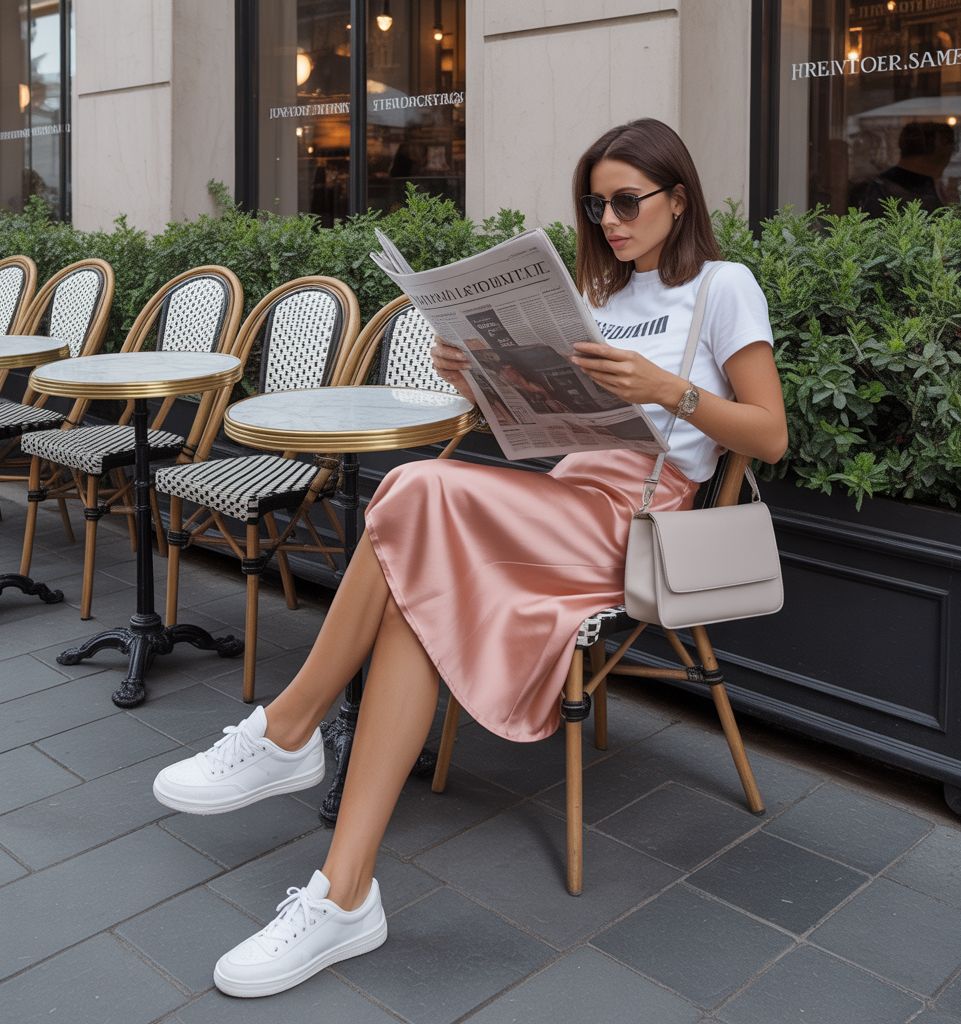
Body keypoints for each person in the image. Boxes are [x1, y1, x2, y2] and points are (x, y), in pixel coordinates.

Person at [151, 118, 788, 999]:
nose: (609, 218)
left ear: (679, 200)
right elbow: (550, 430)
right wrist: (476, 378)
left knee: (409, 493)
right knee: (417, 587)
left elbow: (771, 434)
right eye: (596, 203)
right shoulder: (602, 300)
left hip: (638, 522)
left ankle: (291, 727)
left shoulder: (724, 289)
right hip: (564, 498)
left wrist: (669, 389)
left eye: (627, 201)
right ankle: (344, 897)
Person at [851, 120, 956, 218]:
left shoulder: (880, 188)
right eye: (950, 144)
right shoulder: (883, 191)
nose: (952, 151)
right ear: (938, 145)